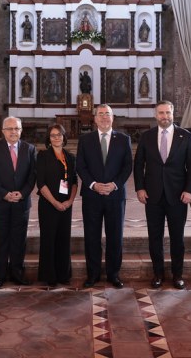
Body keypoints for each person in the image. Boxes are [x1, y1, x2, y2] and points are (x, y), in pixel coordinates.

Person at [134, 100, 191, 289]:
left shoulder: (185, 136)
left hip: (178, 195)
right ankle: (158, 274)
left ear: (173, 113)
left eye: (168, 113)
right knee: (155, 237)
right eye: (161, 113)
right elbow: (138, 165)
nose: (165, 116)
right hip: (152, 195)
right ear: (156, 115)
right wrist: (140, 188)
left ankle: (178, 275)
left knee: (177, 237)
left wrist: (189, 190)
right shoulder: (146, 136)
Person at [76, 104, 133, 289]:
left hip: (115, 195)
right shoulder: (85, 140)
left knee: (115, 236)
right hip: (92, 195)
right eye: (100, 114)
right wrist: (94, 185)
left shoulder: (124, 139)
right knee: (91, 236)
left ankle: (113, 274)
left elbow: (127, 167)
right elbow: (81, 167)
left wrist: (114, 185)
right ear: (95, 118)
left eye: (107, 114)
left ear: (112, 117)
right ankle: (92, 274)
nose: (104, 117)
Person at [0, 116, 37, 289]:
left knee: (18, 239)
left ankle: (17, 273)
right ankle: (0, 275)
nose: (13, 132)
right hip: (0, 201)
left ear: (21, 130)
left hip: (21, 202)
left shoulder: (29, 149)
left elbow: (32, 176)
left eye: (17, 129)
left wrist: (22, 194)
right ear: (3, 131)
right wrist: (5, 194)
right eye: (10, 129)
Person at [36, 124, 78, 287]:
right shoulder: (42, 156)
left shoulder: (70, 157)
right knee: (49, 239)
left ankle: (63, 274)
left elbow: (74, 182)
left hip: (66, 205)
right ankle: (50, 275)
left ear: (64, 137)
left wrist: (69, 202)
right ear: (48, 138)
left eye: (59, 134)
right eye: (53, 135)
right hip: (48, 204)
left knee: (63, 239)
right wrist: (55, 202)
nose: (56, 138)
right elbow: (40, 183)